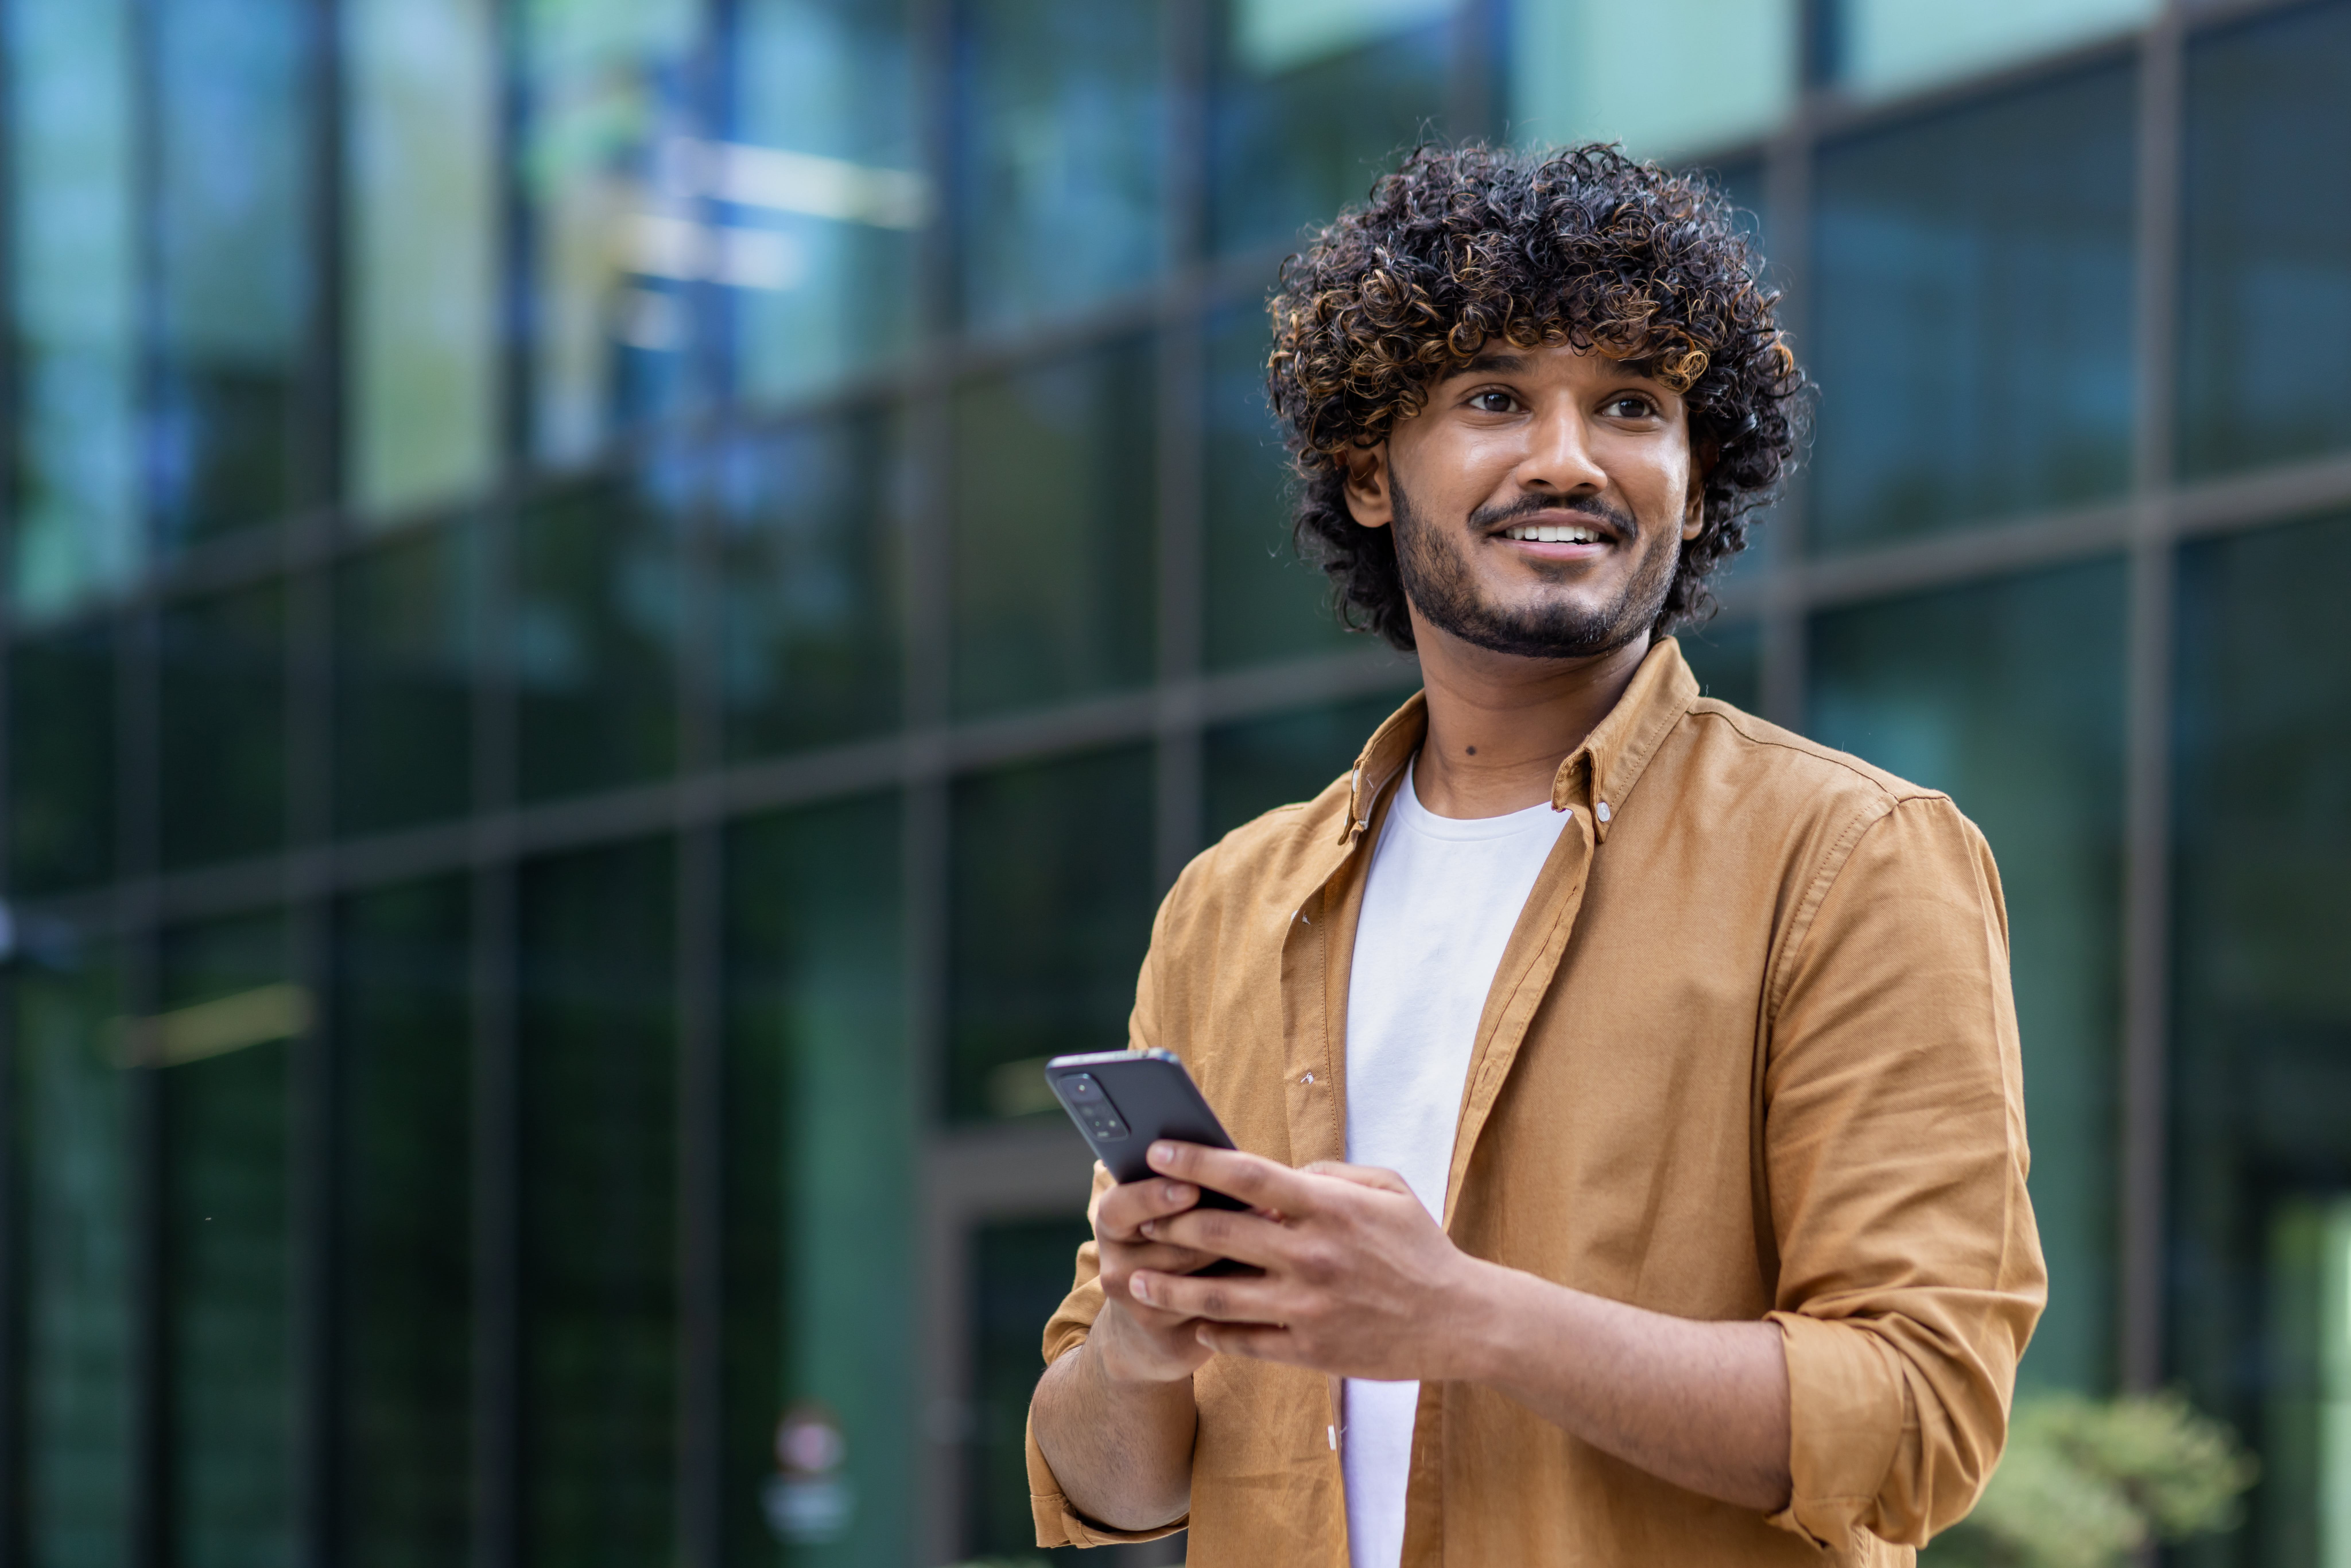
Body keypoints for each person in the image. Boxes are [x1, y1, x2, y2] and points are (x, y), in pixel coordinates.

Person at [1024, 144, 2046, 1568]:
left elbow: (1919, 1422)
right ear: (1366, 473)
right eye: (1492, 398)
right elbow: (1109, 1498)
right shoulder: (1228, 906)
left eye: (1631, 406)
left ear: (1695, 478)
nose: (1567, 457)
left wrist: (1458, 1315)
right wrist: (1139, 1346)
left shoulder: (1852, 858)